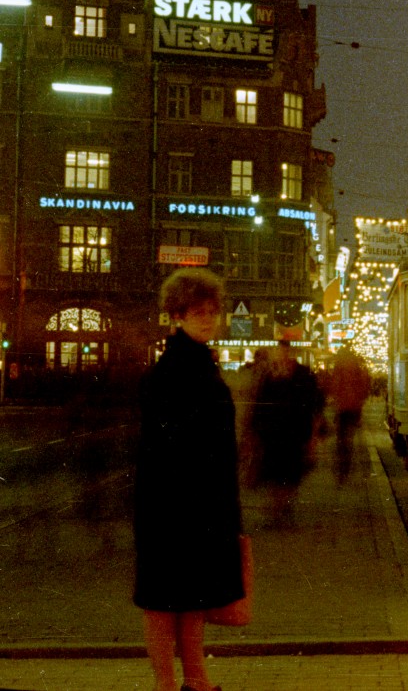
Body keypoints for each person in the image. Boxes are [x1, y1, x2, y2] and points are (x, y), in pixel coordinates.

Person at [134, 268, 242, 691]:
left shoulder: (200, 363)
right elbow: (167, 446)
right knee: (164, 601)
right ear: (177, 314)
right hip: (173, 505)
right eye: (199, 312)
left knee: (191, 597)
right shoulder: (173, 370)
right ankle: (169, 684)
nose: (208, 319)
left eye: (213, 312)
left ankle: (195, 679)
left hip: (197, 504)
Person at [250, 341, 321, 524]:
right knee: (275, 474)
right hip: (272, 434)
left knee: (290, 475)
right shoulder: (269, 375)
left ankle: (282, 509)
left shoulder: (303, 375)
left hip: (296, 433)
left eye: (282, 352)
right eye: (277, 353)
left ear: (289, 353)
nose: (279, 356)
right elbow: (259, 404)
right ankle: (277, 510)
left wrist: (313, 435)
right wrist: (254, 431)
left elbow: (314, 405)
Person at [328, 346, 371, 483]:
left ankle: (342, 468)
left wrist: (335, 399)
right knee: (349, 437)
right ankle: (346, 466)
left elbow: (335, 384)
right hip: (353, 407)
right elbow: (363, 385)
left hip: (342, 406)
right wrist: (360, 402)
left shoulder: (339, 366)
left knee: (341, 437)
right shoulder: (356, 367)